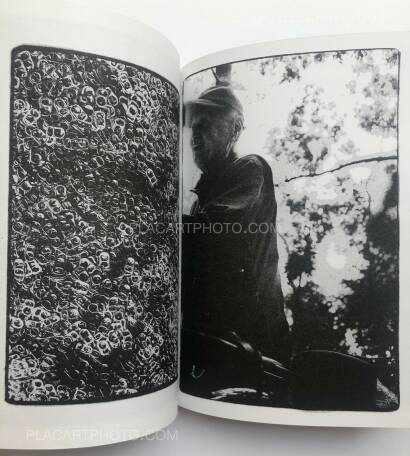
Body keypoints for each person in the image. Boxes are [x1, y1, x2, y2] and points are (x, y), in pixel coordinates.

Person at [181, 85, 290, 396]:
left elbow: (211, 236)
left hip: (253, 343)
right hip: (215, 341)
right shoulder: (200, 199)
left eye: (206, 125)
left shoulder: (250, 169)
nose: (195, 135)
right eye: (193, 127)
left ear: (235, 128)